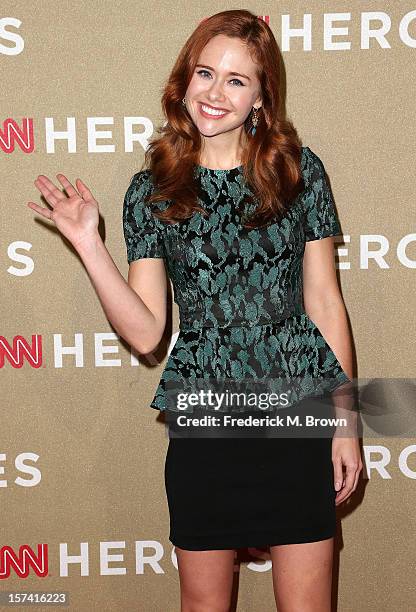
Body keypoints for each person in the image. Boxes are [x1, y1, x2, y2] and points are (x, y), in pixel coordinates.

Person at [28, 9, 363, 612]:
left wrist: (346, 423)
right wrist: (86, 242)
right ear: (184, 80)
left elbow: (324, 303)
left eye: (237, 80)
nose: (215, 93)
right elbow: (146, 331)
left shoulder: (298, 172)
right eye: (205, 73)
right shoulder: (153, 189)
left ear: (262, 97)